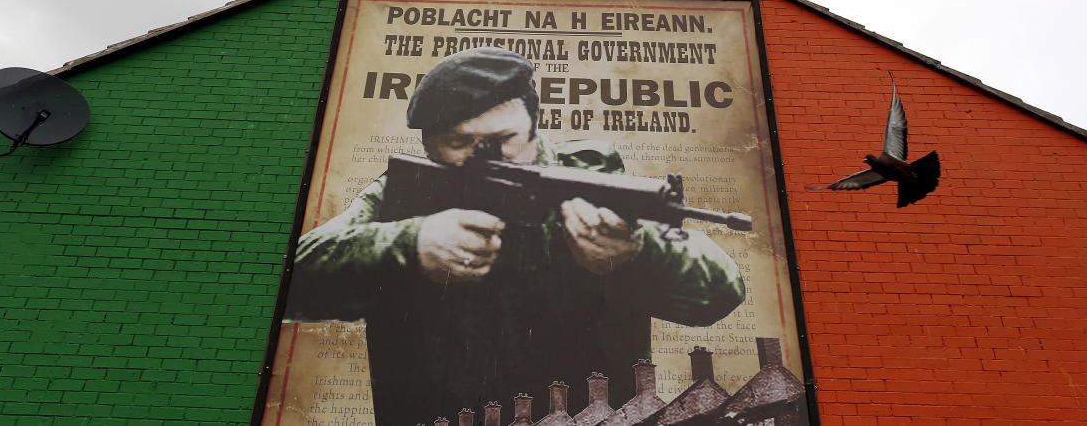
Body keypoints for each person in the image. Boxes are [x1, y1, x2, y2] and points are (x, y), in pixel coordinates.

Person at [285, 47, 745, 425]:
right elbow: (289, 284)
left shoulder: (592, 178)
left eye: (506, 139)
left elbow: (720, 293)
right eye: (461, 143)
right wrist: (410, 244)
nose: (490, 157)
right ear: (428, 144)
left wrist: (637, 256)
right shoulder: (404, 195)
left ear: (534, 122)